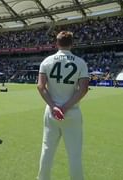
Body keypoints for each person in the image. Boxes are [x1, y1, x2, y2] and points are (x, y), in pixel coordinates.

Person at [36, 31, 89, 180]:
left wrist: (54, 106)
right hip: (72, 112)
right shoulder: (80, 62)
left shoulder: (46, 61)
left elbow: (41, 86)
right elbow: (83, 89)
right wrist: (65, 107)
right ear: (72, 44)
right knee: (74, 154)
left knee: (47, 150)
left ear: (57, 43)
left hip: (51, 112)